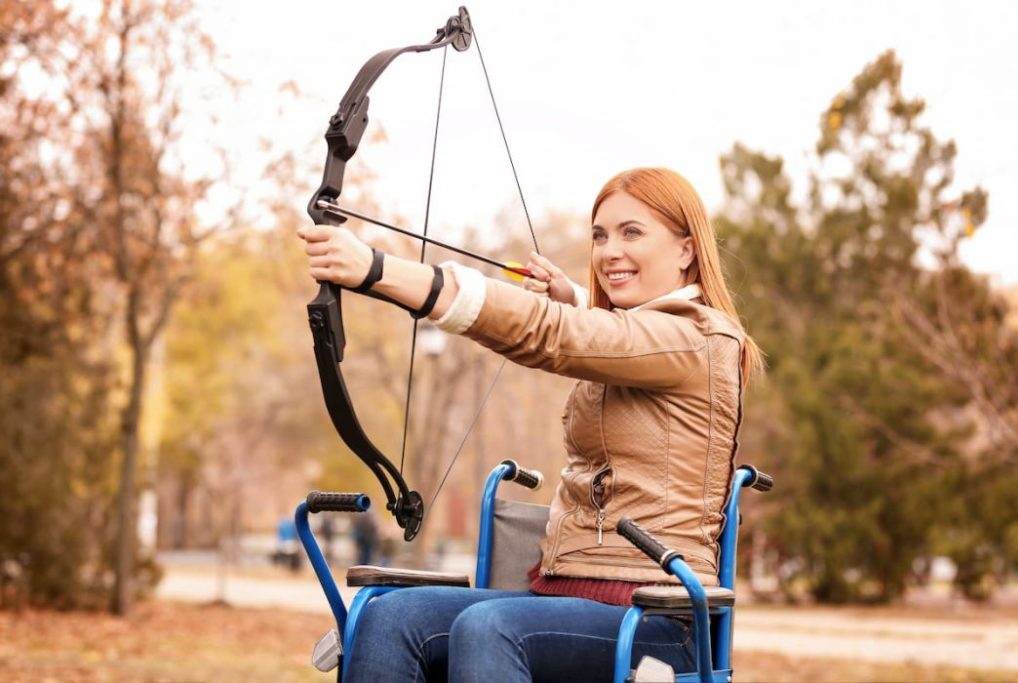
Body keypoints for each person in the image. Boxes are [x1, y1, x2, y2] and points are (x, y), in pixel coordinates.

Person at [297, 167, 762, 682]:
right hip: (561, 597)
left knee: (488, 627)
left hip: (657, 619)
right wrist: (577, 304)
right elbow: (604, 336)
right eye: (599, 235)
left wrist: (378, 270)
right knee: (389, 617)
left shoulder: (701, 339)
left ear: (686, 250)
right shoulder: (642, 337)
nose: (609, 252)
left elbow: (557, 336)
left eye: (632, 232)